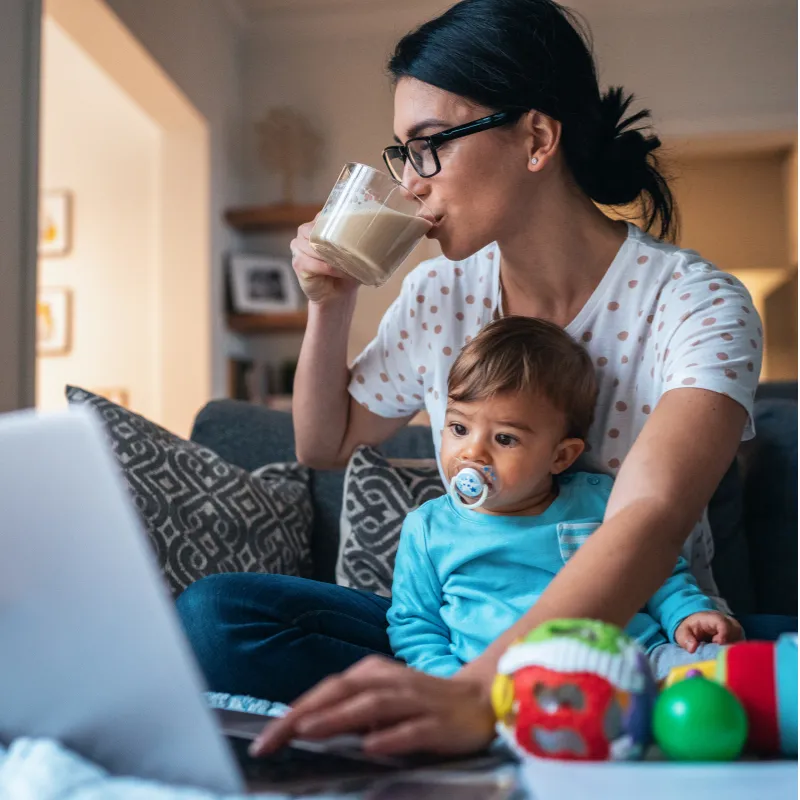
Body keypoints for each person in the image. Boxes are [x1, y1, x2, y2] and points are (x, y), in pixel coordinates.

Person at [176, 0, 791, 759]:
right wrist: (329, 305)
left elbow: (647, 518)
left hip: (635, 638)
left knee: (767, 666)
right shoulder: (441, 294)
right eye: (402, 154)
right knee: (216, 616)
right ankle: (487, 715)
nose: (412, 186)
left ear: (535, 137)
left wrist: (480, 693)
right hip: (465, 637)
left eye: (429, 147)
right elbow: (323, 443)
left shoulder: (695, 302)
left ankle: (506, 714)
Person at [387, 316, 742, 683]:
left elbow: (656, 573)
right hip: (504, 687)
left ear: (561, 457)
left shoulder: (601, 499)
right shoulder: (428, 529)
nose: (472, 452)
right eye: (459, 429)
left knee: (725, 670)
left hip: (635, 662)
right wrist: (450, 687)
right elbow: (415, 627)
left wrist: (687, 614)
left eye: (505, 439)